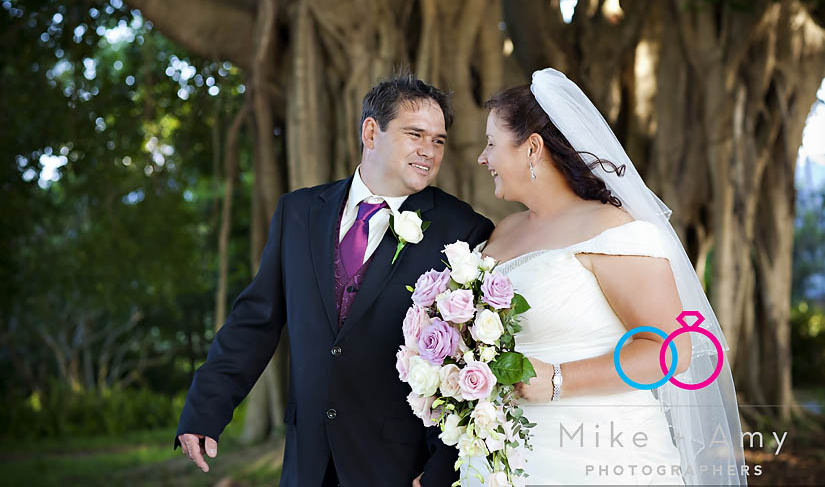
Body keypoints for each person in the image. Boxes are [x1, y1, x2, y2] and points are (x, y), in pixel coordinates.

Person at [175, 72, 494, 487]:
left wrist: (440, 472)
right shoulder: (298, 212)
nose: (428, 151)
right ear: (371, 132)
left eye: (438, 141)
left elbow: (471, 361)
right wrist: (205, 409)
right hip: (307, 459)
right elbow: (256, 321)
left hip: (398, 467)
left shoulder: (462, 229)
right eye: (415, 134)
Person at [468, 68, 746, 485]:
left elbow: (672, 349)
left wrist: (558, 380)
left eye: (491, 143)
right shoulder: (501, 233)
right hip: (495, 458)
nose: (482, 158)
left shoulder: (612, 229)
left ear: (532, 148)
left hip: (595, 454)